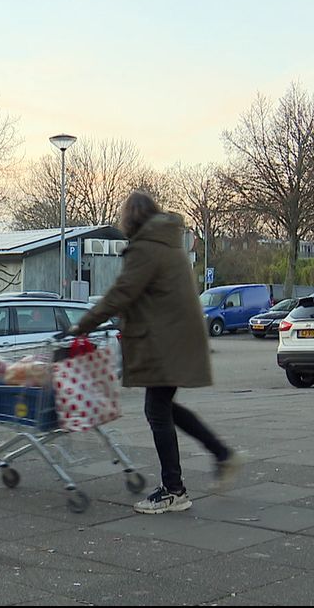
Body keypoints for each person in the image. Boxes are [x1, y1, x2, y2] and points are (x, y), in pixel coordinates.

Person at [72, 191, 242, 515]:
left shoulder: (146, 249)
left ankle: (174, 490)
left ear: (131, 218)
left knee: (157, 409)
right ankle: (221, 454)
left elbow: (122, 293)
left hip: (165, 342)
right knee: (164, 407)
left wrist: (81, 325)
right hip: (178, 338)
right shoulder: (168, 244)